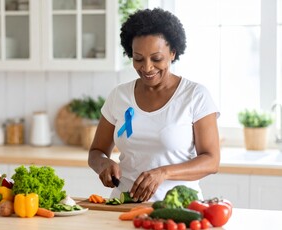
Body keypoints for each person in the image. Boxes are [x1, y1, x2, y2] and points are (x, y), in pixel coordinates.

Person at [88, 8, 220, 202]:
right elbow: (95, 152)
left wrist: (163, 173)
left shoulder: (195, 95)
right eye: (138, 59)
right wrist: (104, 165)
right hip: (124, 205)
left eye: (156, 58)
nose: (147, 67)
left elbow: (211, 161)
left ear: (173, 53)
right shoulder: (119, 95)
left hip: (179, 210)